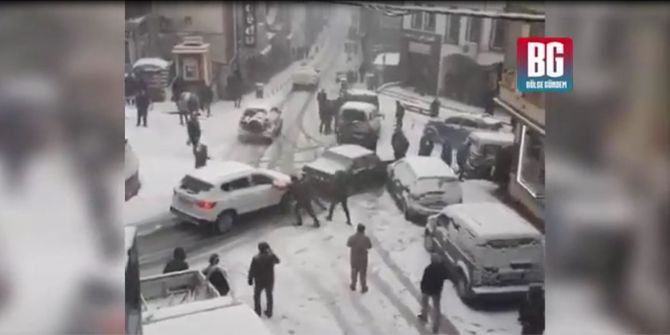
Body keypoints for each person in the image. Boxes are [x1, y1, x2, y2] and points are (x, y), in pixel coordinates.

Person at [418, 253, 450, 334]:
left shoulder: (428, 269)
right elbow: (446, 276)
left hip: (427, 290)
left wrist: (422, 288)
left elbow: (424, 280)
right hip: (437, 291)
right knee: (437, 308)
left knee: (424, 303)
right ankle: (436, 327)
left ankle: (424, 316)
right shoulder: (442, 268)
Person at [248, 242, 280, 318]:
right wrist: (272, 252)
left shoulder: (255, 258)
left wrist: (250, 278)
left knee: (256, 296)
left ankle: (257, 311)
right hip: (269, 280)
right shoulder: (271, 256)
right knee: (269, 296)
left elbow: (252, 270)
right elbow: (278, 261)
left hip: (259, 281)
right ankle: (269, 312)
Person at [346, 224, 372, 293]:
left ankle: (353, 285)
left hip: (354, 258)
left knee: (354, 271)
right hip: (363, 258)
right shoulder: (366, 238)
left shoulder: (352, 237)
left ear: (357, 229)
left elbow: (348, 244)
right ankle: (363, 287)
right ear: (363, 230)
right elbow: (369, 246)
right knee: (363, 273)